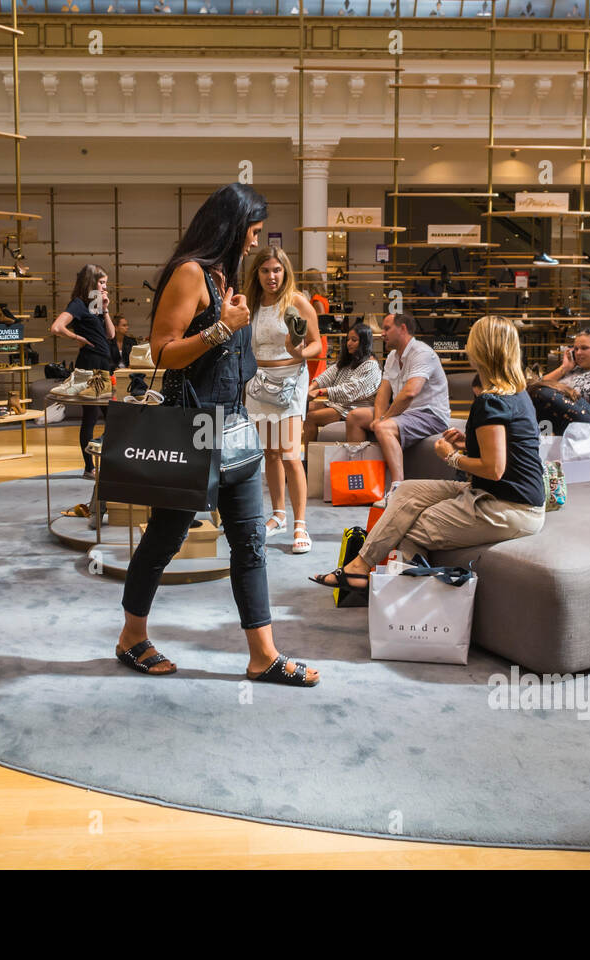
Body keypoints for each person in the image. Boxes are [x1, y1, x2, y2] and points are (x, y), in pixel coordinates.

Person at [117, 183, 318, 687]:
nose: (255, 243)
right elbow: (161, 352)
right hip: (196, 428)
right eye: (252, 232)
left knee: (249, 542)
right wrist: (222, 329)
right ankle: (130, 637)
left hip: (236, 423)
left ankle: (263, 655)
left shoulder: (224, 277)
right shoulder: (190, 274)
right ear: (232, 227)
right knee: (165, 538)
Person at [310, 315, 546, 595]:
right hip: (502, 495)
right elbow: (507, 452)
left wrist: (451, 456)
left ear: (481, 349)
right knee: (407, 491)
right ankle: (360, 568)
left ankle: (400, 604)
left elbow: (494, 469)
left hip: (507, 507)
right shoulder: (516, 394)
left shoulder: (491, 401)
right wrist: (468, 444)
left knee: (411, 527)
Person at [244, 245, 322, 554]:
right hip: (258, 382)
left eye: (277, 270)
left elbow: (317, 344)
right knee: (270, 453)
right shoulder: (250, 304)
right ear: (257, 273)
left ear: (285, 271)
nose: (271, 276)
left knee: (290, 453)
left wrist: (301, 352)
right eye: (265, 270)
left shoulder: (297, 302)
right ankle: (278, 515)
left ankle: (300, 523)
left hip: (290, 382)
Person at [345, 313, 451, 485]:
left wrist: (383, 420)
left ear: (403, 329)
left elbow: (410, 392)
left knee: (384, 428)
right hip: (406, 414)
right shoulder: (393, 357)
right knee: (354, 417)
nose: (382, 334)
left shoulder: (422, 353)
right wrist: (379, 417)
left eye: (387, 328)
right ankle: (362, 480)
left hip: (430, 415)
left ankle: (397, 486)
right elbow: (383, 392)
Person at [51, 264, 115, 478]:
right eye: (102, 282)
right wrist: (77, 338)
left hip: (102, 364)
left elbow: (111, 335)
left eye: (106, 282)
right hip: (91, 364)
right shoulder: (78, 304)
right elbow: (57, 327)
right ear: (91, 282)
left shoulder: (96, 306)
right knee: (93, 415)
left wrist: (105, 309)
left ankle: (98, 462)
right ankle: (90, 467)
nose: (105, 286)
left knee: (109, 415)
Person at [302, 322, 381, 447]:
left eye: (354, 340)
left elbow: (350, 391)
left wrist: (321, 391)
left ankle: (307, 461)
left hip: (353, 408)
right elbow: (327, 375)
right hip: (340, 405)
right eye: (348, 339)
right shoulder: (348, 361)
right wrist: (310, 388)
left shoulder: (371, 366)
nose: (349, 343)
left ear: (364, 342)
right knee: (305, 407)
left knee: (311, 417)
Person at [534, 327, 590, 396]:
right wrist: (563, 368)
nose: (578, 353)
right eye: (576, 349)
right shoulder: (573, 370)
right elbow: (536, 385)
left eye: (584, 348)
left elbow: (576, 400)